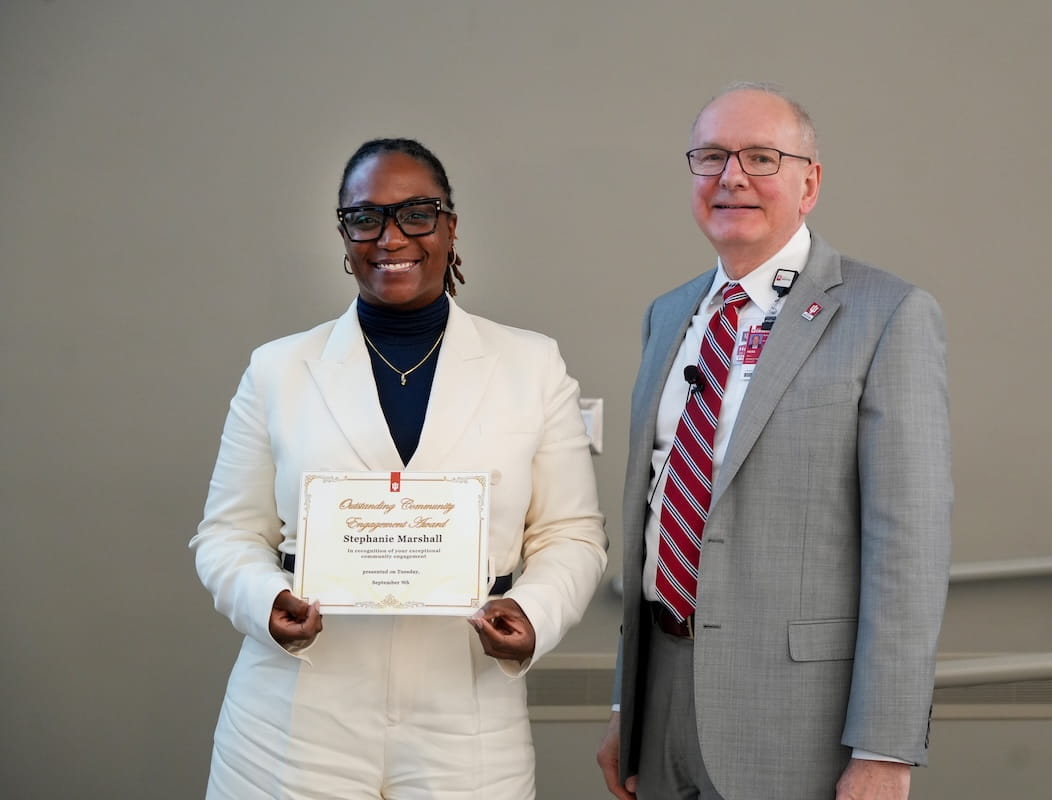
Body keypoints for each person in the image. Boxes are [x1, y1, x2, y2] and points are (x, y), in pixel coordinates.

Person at [191, 137, 607, 800]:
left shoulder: (531, 366)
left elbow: (571, 535)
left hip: (465, 716)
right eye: (366, 217)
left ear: (449, 226)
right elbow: (226, 534)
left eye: (417, 213)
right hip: (293, 719)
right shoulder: (278, 370)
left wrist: (531, 613)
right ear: (344, 233)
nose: (391, 237)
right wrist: (266, 601)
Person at [596, 83, 952, 800]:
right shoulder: (668, 316)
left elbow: (908, 548)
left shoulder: (887, 315)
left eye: (762, 157)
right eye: (711, 157)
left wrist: (885, 749)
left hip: (800, 720)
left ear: (809, 182)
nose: (732, 176)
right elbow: (656, 515)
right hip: (663, 693)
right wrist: (623, 708)